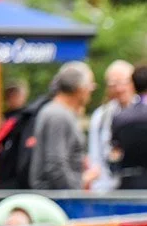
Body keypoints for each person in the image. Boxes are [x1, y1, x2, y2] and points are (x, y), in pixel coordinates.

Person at [29, 62, 98, 191]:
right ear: (80, 88)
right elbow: (56, 165)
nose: (91, 92)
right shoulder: (58, 116)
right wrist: (77, 187)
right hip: (59, 200)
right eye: (91, 86)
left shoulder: (56, 112)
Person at [86, 60, 135, 192]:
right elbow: (95, 155)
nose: (119, 89)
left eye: (124, 82)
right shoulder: (101, 116)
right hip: (108, 189)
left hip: (138, 188)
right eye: (113, 84)